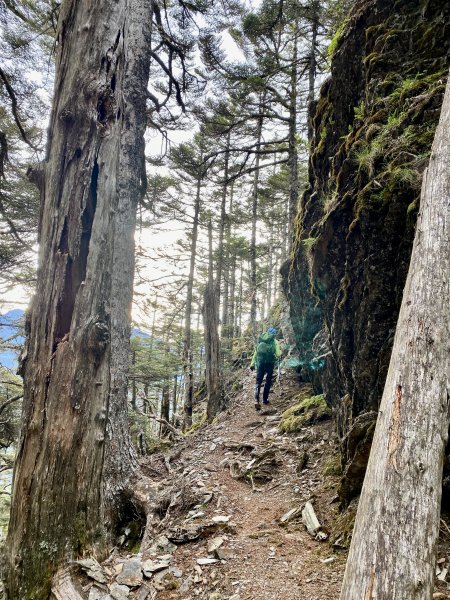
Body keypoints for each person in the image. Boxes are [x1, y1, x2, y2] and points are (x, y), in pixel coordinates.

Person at [250, 326, 282, 410]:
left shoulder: (261, 340)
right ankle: (265, 399)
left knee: (258, 381)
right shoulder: (275, 341)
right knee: (268, 381)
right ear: (274, 334)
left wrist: (252, 364)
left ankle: (256, 399)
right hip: (270, 363)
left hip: (260, 363)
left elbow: (256, 353)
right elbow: (278, 354)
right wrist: (280, 353)